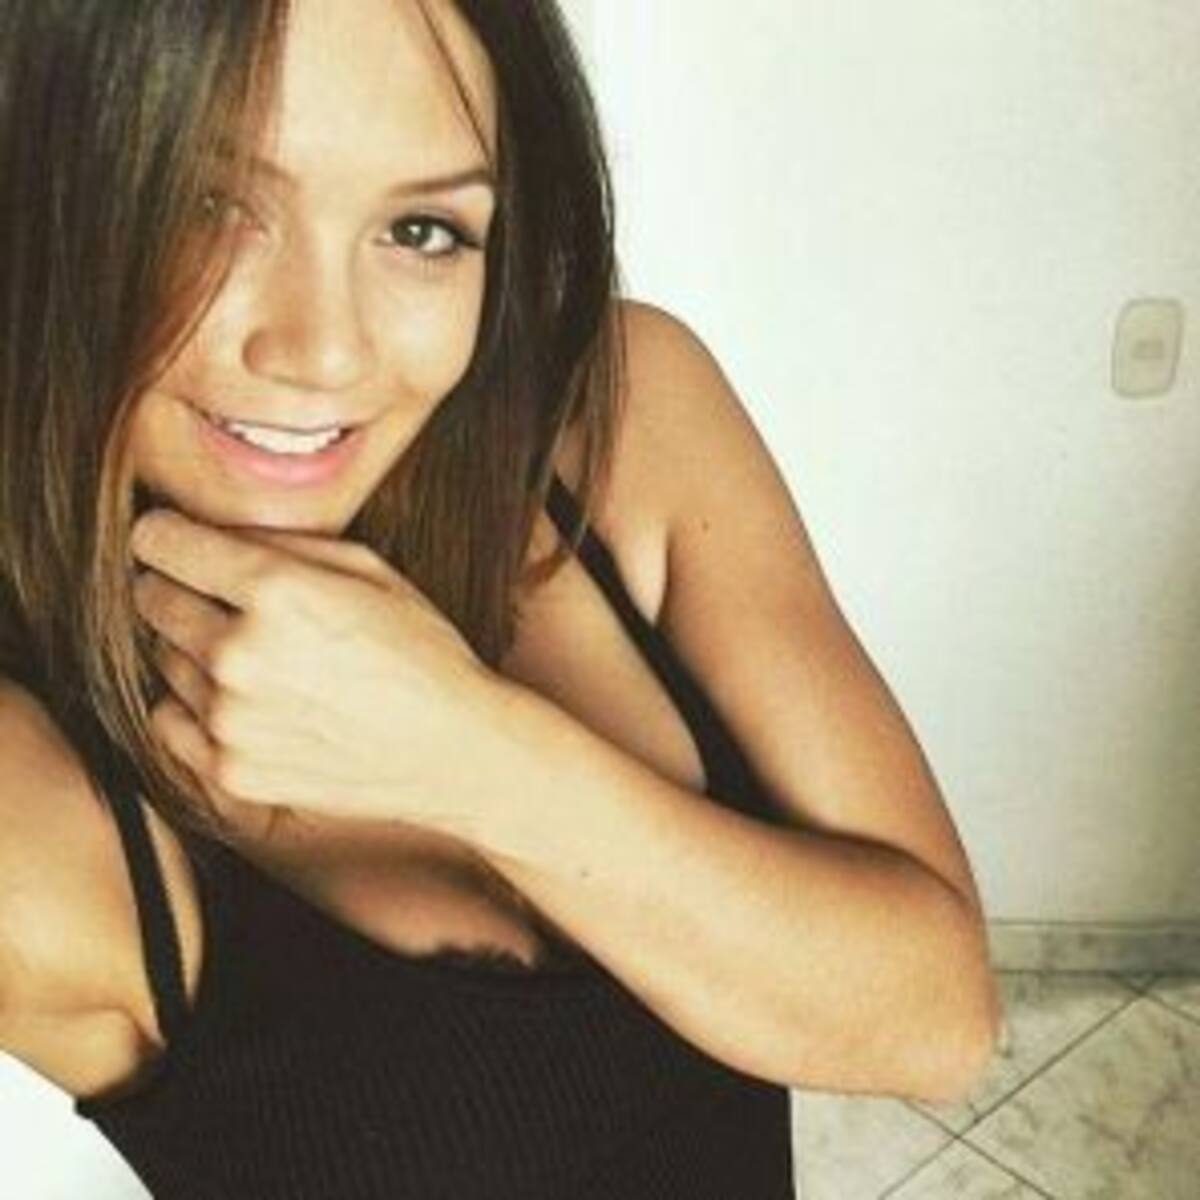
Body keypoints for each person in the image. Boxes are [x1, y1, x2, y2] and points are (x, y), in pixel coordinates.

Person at [0, 0, 1001, 1196]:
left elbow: (934, 1023)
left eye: (422, 229)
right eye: (204, 207)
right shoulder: (32, 781)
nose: (326, 350)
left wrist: (462, 751)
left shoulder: (623, 425)